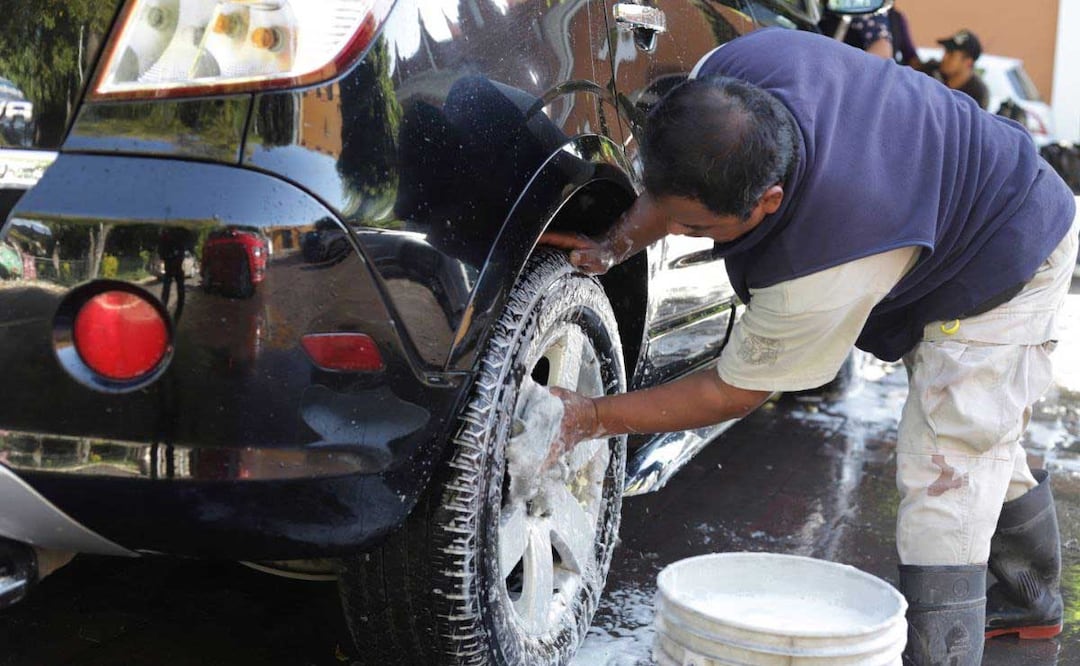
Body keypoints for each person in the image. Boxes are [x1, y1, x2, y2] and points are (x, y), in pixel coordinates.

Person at [541, 29, 1076, 666]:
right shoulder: (731, 71)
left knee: (949, 460)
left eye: (696, 229)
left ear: (768, 201)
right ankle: (1032, 606)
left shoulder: (824, 266)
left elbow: (730, 390)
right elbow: (675, 187)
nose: (675, 232)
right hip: (954, 193)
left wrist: (591, 417)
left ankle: (944, 653)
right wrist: (616, 242)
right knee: (983, 435)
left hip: (1010, 248)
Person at [923, 29, 989, 109]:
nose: (944, 57)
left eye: (951, 54)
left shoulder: (977, 94)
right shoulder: (930, 70)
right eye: (946, 52)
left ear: (968, 62)